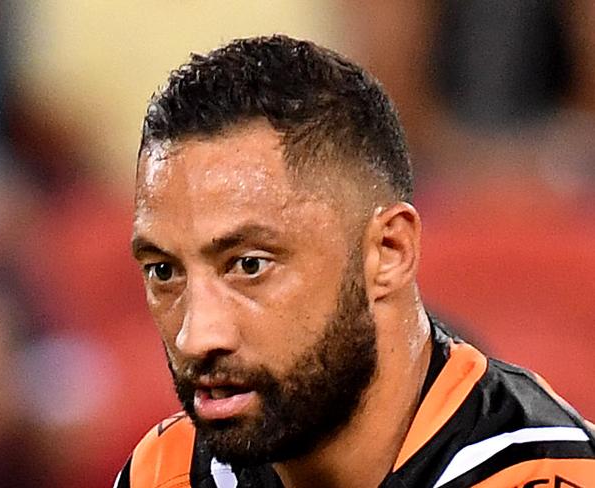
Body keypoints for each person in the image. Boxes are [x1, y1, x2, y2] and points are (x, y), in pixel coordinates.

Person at [115, 35, 595, 488]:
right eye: (164, 271)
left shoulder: (542, 473)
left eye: (249, 265)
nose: (196, 337)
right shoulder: (166, 472)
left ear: (389, 252)